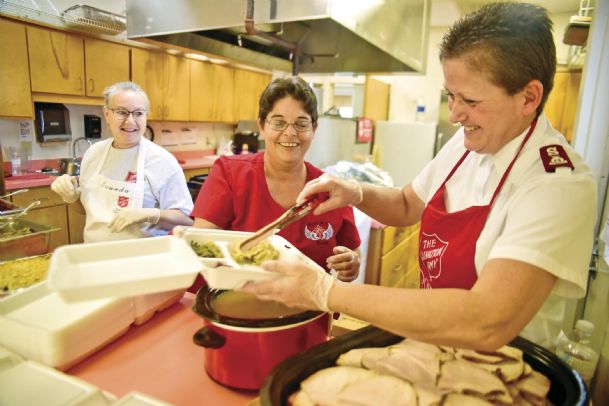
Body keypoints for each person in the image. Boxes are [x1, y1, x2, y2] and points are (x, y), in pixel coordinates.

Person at [240, 2, 597, 351]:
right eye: (450, 96)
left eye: (470, 100)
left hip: (504, 377)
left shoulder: (557, 183)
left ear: (529, 97)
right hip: (435, 348)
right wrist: (353, 191)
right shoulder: (468, 141)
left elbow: (488, 320)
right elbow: (408, 204)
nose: (455, 115)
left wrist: (327, 291)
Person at [189, 76, 361, 282]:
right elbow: (200, 247)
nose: (290, 133)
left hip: (309, 310)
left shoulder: (331, 190)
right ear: (262, 126)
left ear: (314, 129)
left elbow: (352, 254)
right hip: (239, 306)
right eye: (278, 123)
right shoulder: (229, 173)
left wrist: (350, 264)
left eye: (301, 124)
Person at [51, 81, 193, 242]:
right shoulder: (93, 154)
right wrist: (71, 197)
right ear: (107, 114)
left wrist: (150, 214)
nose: (130, 121)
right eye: (121, 112)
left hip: (142, 259)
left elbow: (187, 219)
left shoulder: (162, 161)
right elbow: (87, 210)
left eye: (138, 113)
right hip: (95, 255)